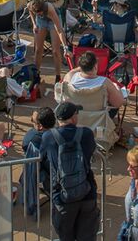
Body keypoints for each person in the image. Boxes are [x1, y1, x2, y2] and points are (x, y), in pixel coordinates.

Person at [42, 101, 100, 241]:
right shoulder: (86, 133)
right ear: (73, 117)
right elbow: (91, 151)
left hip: (62, 196)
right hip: (87, 193)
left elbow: (43, 158)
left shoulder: (48, 137)